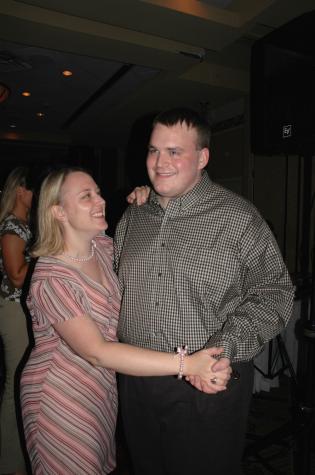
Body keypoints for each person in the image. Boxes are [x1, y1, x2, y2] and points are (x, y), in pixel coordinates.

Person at [114, 107, 295, 475]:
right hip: (135, 381)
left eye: (174, 151)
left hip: (204, 384)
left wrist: (224, 348)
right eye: (153, 150)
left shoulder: (238, 217)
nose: (159, 162)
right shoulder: (134, 215)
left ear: (202, 157)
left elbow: (275, 291)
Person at [20, 167, 231, 475]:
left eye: (98, 192)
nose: (101, 200)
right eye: (86, 196)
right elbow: (97, 351)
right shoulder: (51, 278)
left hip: (101, 388)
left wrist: (146, 200)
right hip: (59, 395)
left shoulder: (103, 248)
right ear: (58, 212)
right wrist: (187, 364)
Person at [0, 167, 34, 475]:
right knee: (16, 381)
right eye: (33, 190)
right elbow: (16, 275)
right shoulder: (12, 226)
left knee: (22, 380)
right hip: (12, 309)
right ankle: (10, 463)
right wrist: (42, 255)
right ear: (21, 191)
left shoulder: (23, 224)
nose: (36, 196)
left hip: (21, 308)